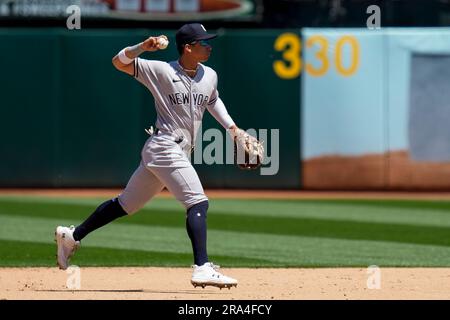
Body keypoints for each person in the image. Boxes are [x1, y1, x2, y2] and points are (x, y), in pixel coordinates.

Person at [55, 23, 242, 289]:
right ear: (188, 48)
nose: (209, 46)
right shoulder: (162, 70)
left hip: (174, 150)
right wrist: (143, 47)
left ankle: (72, 235)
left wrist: (233, 130)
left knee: (125, 204)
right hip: (165, 146)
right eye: (203, 43)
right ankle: (202, 267)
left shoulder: (209, 75)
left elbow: (212, 101)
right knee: (197, 202)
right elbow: (119, 62)